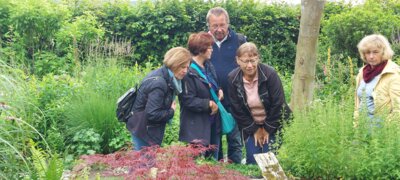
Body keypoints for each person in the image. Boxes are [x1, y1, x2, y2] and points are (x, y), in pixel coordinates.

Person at [227, 42, 292, 165]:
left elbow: (278, 104)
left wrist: (267, 129)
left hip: (274, 123)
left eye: (253, 60)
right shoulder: (233, 78)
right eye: (245, 61)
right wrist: (255, 129)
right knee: (253, 161)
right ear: (238, 60)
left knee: (270, 160)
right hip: (251, 124)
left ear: (258, 59)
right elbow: (237, 109)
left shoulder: (270, 74)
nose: (250, 65)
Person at [126, 47, 191, 151]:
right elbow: (152, 113)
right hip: (144, 131)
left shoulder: (166, 76)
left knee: (143, 164)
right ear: (174, 64)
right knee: (144, 164)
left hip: (145, 128)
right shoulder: (159, 83)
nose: (185, 71)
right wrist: (171, 111)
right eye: (182, 67)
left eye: (187, 67)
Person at [207, 6, 245, 164]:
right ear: (208, 26)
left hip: (235, 97)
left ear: (228, 23)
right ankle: (215, 165)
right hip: (212, 97)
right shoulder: (203, 42)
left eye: (222, 25)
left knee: (235, 136)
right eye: (214, 26)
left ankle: (236, 167)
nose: (219, 29)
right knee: (213, 136)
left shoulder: (239, 40)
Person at [179, 32, 222, 160]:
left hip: (213, 121)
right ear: (200, 49)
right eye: (209, 47)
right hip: (196, 125)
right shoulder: (188, 71)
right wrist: (207, 104)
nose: (212, 49)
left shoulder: (208, 65)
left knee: (212, 161)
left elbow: (213, 84)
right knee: (196, 164)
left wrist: (219, 90)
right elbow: (187, 100)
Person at [354, 34, 400, 123]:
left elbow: (398, 109)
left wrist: (386, 130)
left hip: (381, 130)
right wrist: (356, 125)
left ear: (383, 52)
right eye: (368, 52)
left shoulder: (393, 74)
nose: (371, 56)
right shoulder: (362, 73)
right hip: (361, 130)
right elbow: (358, 105)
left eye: (375, 52)